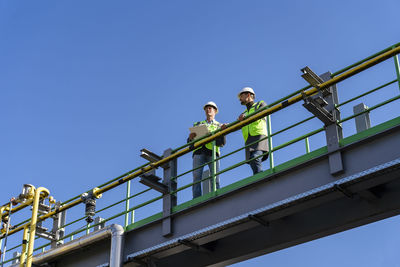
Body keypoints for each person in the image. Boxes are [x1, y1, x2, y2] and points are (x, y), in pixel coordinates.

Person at [188, 101, 226, 198]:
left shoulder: (219, 125)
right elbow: (189, 143)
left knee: (215, 177)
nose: (208, 110)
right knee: (196, 177)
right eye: (206, 108)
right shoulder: (198, 124)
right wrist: (191, 138)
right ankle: (196, 198)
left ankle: (217, 195)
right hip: (199, 152)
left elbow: (222, 143)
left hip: (212, 152)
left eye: (210, 108)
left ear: (215, 111)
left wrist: (222, 132)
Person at [237, 87, 269, 174]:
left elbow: (262, 112)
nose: (240, 99)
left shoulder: (260, 104)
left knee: (255, 158)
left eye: (241, 96)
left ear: (248, 95)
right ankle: (258, 177)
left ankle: (260, 178)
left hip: (259, 136)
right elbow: (236, 125)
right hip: (248, 139)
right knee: (252, 160)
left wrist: (245, 118)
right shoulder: (243, 113)